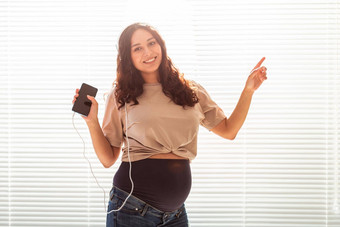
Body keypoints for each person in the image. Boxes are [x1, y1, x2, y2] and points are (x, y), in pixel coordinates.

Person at [72, 23, 267, 227]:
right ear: (127, 56)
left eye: (151, 43)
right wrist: (92, 121)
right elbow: (108, 159)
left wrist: (248, 91)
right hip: (131, 209)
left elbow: (229, 131)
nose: (148, 52)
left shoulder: (191, 91)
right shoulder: (121, 97)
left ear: (161, 46)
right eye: (137, 48)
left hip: (175, 215)